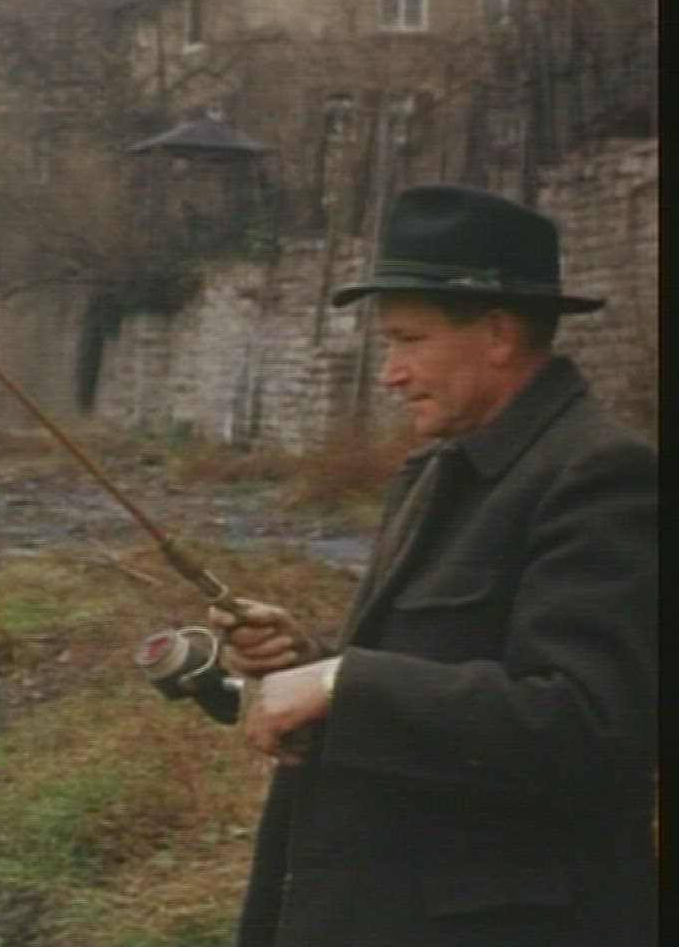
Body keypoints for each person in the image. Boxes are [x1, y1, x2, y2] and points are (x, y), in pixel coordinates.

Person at [207, 183, 656, 947]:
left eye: (409, 340)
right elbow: (440, 672)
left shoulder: (602, 474)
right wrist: (311, 659)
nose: (390, 372)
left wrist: (342, 685)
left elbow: (587, 722)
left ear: (498, 333)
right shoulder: (443, 466)